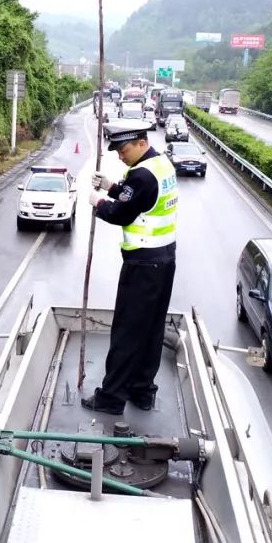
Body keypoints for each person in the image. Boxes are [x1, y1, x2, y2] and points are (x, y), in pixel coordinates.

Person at [84, 118, 179, 415]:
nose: (119, 155)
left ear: (141, 143)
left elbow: (122, 213)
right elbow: (138, 199)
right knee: (151, 330)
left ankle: (111, 398)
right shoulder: (161, 165)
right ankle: (142, 391)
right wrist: (111, 186)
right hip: (164, 261)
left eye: (123, 149)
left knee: (126, 332)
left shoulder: (141, 175)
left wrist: (98, 202)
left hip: (142, 265)